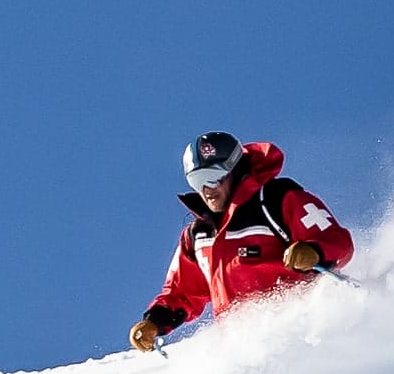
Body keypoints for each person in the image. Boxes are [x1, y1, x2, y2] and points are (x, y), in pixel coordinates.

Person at [129, 132, 354, 352]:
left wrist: (313, 251)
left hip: (305, 334)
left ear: (235, 170)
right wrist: (153, 322)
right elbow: (182, 292)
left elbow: (338, 241)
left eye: (213, 177)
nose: (206, 189)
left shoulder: (276, 201)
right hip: (242, 350)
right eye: (197, 181)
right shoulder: (198, 236)